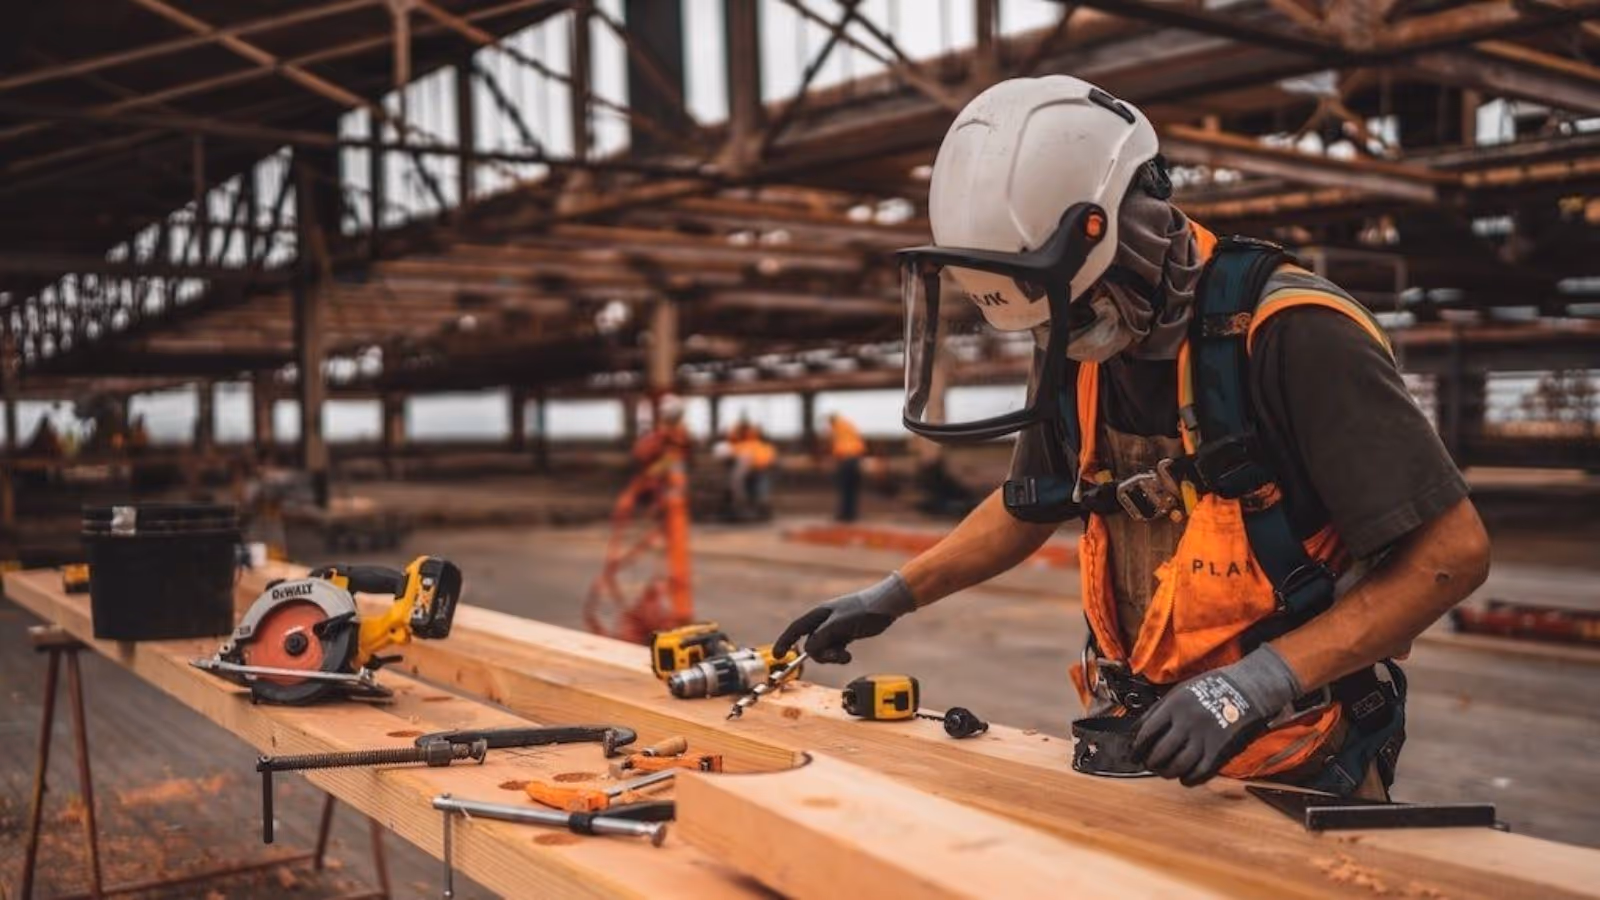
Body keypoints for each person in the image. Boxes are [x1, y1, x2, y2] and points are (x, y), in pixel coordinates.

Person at [773, 76, 1490, 799]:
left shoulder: (1292, 333)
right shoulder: (1075, 340)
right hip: (1136, 739)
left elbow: (1452, 555)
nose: (1067, 335)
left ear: (1131, 230)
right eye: (1053, 319)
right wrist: (893, 594)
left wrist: (1257, 683)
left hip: (1297, 753)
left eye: (1078, 308)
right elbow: (1032, 503)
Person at [825, 412, 866, 522]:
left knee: (845, 488)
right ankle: (851, 514)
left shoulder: (837, 427)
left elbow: (834, 443)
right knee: (851, 488)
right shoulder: (848, 425)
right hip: (855, 458)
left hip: (845, 459)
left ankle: (845, 514)